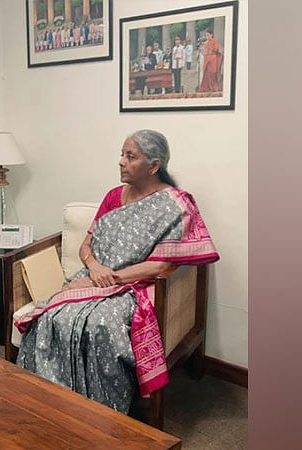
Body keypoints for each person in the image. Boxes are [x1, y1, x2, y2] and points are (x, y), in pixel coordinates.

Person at [16, 130, 219, 414]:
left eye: (130, 156)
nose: (121, 162)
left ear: (154, 166)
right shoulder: (113, 196)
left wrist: (107, 280)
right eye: (122, 155)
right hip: (95, 277)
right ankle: (53, 399)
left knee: (101, 324)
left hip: (138, 286)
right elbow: (86, 246)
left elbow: (162, 265)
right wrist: (95, 268)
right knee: (51, 315)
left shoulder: (176, 204)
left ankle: (102, 411)